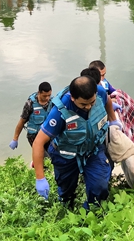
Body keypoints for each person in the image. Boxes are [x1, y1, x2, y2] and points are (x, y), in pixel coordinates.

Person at [32, 75, 122, 207]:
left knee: (100, 187)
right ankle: (67, 205)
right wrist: (40, 178)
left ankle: (90, 213)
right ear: (73, 98)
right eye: (83, 104)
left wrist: (113, 119)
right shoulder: (59, 112)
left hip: (93, 150)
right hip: (66, 156)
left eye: (92, 102)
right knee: (66, 192)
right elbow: (38, 143)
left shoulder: (99, 92)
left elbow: (107, 99)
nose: (88, 107)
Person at [9, 82, 52, 149]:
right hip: (33, 136)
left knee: (52, 156)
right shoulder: (30, 104)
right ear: (39, 92)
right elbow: (22, 121)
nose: (47, 98)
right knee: (42, 156)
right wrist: (15, 139)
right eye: (44, 96)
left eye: (49, 95)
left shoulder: (52, 102)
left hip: (47, 135)